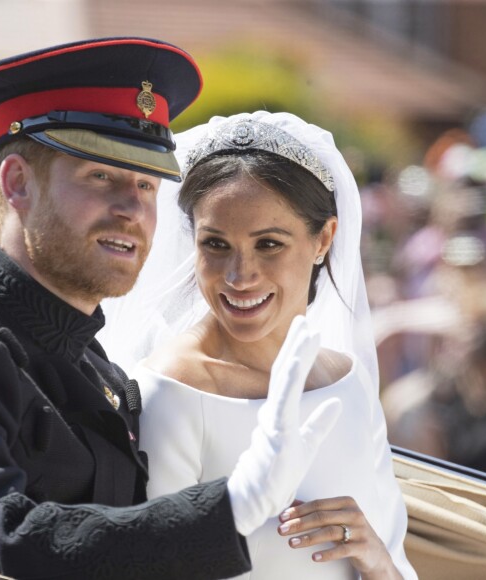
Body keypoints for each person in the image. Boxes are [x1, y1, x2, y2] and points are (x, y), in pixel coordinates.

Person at [0, 40, 341, 579]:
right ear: (18, 183)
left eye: (146, 183)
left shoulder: (101, 373)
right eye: (101, 177)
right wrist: (231, 507)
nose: (133, 209)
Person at [100, 112, 417, 579]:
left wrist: (377, 560)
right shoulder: (172, 389)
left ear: (323, 239)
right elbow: (157, 564)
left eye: (269, 244)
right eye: (216, 244)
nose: (239, 276)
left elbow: (394, 558)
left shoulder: (347, 380)